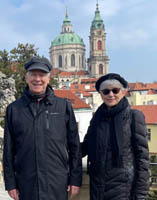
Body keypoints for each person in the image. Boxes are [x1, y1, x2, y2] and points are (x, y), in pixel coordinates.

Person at [3, 56, 82, 200]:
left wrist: (75, 179)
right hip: (27, 182)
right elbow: (8, 150)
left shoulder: (63, 106)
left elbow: (74, 146)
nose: (37, 79)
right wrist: (10, 183)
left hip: (57, 182)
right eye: (33, 74)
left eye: (42, 75)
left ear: (49, 78)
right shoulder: (14, 109)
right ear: (26, 78)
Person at [82, 73, 149, 200]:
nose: (111, 94)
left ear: (123, 92)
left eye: (115, 90)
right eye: (106, 91)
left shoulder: (134, 116)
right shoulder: (97, 118)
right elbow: (86, 146)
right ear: (101, 94)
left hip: (124, 187)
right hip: (98, 185)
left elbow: (143, 158)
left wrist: (141, 193)